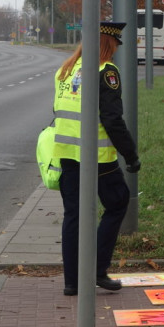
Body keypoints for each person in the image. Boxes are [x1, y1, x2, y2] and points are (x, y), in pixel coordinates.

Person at [52, 21, 141, 296]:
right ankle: (98, 270)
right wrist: (131, 154)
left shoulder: (66, 69)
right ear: (109, 43)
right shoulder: (106, 71)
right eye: (114, 45)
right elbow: (112, 119)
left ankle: (72, 281)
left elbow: (57, 110)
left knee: (74, 215)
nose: (115, 50)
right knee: (118, 203)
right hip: (97, 156)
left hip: (67, 153)